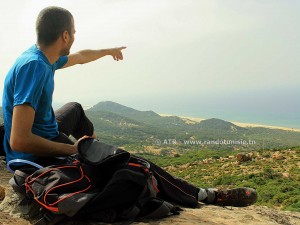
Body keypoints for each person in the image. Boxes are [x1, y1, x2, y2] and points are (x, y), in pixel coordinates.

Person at [2, 6, 257, 208]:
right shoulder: (34, 68)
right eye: (74, 32)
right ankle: (205, 195)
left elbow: (80, 57)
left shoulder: (43, 56)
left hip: (47, 129)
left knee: (75, 109)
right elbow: (20, 141)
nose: (75, 37)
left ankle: (94, 153)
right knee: (132, 163)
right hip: (33, 156)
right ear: (65, 35)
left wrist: (107, 50)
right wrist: (74, 148)